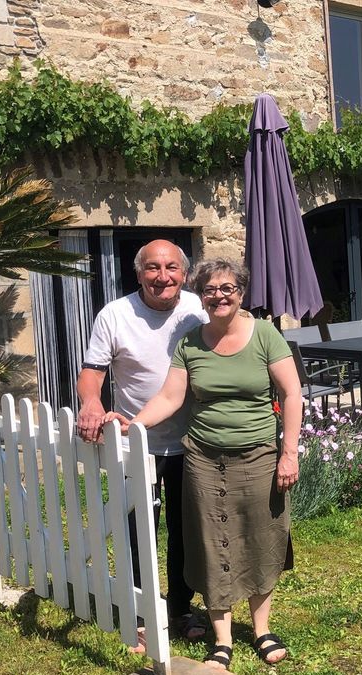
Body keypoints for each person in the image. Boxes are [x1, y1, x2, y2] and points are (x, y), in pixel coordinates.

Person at [106, 257, 302, 670]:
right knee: (212, 543)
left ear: (241, 293)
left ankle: (262, 630)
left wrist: (289, 453)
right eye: (211, 289)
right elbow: (170, 398)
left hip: (259, 456)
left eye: (228, 288)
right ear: (201, 296)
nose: (219, 296)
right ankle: (223, 638)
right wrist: (133, 424)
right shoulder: (191, 343)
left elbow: (292, 395)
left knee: (261, 537)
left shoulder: (264, 334)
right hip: (204, 460)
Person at [76, 239, 209, 648]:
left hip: (192, 440)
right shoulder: (115, 315)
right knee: (138, 530)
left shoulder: (198, 311)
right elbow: (92, 372)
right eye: (153, 268)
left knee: (187, 531)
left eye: (171, 267)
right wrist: (91, 404)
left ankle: (181, 608)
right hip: (138, 442)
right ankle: (138, 609)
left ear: (183, 274)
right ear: (139, 274)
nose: (162, 276)